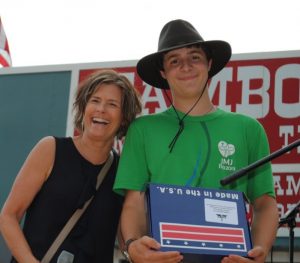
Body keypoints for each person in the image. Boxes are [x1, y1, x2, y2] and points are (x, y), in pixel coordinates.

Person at [113, 19, 278, 263]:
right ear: (163, 72)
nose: (186, 67)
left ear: (209, 64)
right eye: (174, 61)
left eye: (195, 57)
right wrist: (132, 244)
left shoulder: (248, 129)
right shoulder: (143, 129)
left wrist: (260, 250)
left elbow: (264, 202)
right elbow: (134, 201)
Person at [0, 69, 142, 263]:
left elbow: (126, 238)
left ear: (124, 117)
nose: (101, 109)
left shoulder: (124, 170)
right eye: (95, 100)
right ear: (83, 107)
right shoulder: (50, 149)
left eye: (112, 104)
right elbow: (8, 216)